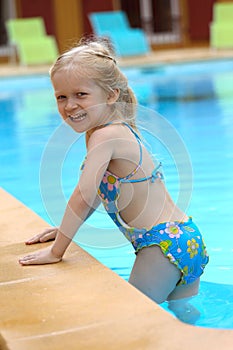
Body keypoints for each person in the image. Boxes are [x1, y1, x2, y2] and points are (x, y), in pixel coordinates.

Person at [19, 37, 209, 322]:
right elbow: (97, 193)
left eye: (81, 94)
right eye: (61, 97)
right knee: (184, 322)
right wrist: (65, 229)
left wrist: (58, 251)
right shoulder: (120, 129)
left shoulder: (105, 136)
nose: (70, 105)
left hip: (160, 249)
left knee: (131, 324)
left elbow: (83, 196)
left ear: (110, 95)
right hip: (187, 239)